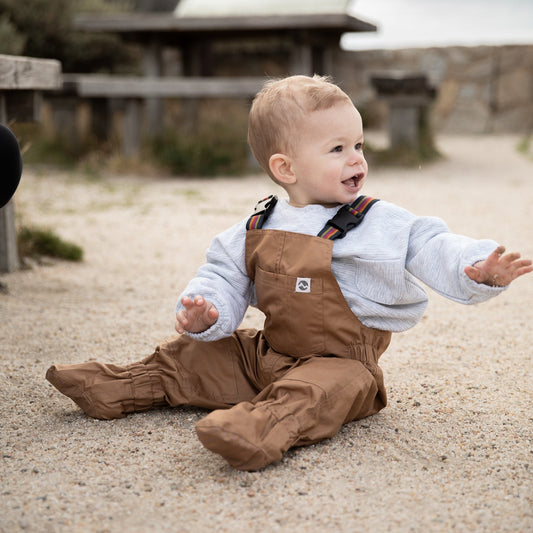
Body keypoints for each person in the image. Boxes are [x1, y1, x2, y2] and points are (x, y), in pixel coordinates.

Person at [46, 75, 532, 471]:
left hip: (343, 364)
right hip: (270, 353)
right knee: (194, 355)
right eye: (337, 148)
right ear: (285, 167)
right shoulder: (258, 223)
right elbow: (221, 273)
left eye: (359, 144)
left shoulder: (380, 221)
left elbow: (432, 244)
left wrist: (477, 268)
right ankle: (118, 385)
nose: (357, 158)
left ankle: (259, 428)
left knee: (314, 393)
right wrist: (205, 313)